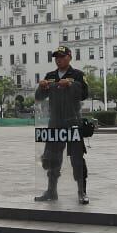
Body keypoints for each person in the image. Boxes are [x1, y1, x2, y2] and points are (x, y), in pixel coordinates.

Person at [34, 45, 90, 204]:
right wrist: (42, 86)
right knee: (52, 159)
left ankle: (81, 192)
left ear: (69, 57)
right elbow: (39, 97)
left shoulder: (77, 75)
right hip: (55, 123)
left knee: (77, 159)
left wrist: (71, 84)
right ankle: (51, 191)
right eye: (56, 57)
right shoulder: (50, 75)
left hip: (73, 122)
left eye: (62, 57)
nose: (59, 60)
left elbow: (85, 94)